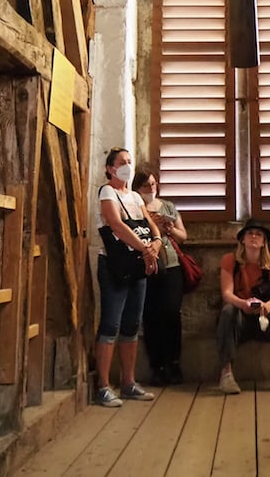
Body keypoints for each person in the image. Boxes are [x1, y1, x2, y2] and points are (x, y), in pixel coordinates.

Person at [94, 147, 163, 407]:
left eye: (129, 162)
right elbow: (115, 224)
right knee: (111, 323)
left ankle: (128, 382)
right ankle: (102, 385)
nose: (127, 166)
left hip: (138, 263)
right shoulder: (107, 191)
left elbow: (148, 221)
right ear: (111, 168)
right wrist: (145, 249)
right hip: (115, 264)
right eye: (122, 162)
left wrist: (155, 241)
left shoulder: (134, 195)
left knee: (132, 323)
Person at [217, 218, 270, 395]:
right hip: (240, 320)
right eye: (249, 233)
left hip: (263, 320)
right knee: (228, 311)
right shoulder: (230, 260)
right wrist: (243, 304)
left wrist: (267, 306)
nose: (253, 237)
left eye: (258, 234)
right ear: (242, 239)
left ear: (263, 242)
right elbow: (227, 294)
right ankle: (226, 374)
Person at [132, 164, 188, 385]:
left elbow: (183, 236)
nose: (151, 189)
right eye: (146, 185)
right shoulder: (133, 206)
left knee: (171, 312)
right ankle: (157, 365)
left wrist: (168, 228)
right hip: (145, 264)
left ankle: (174, 362)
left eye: (154, 184)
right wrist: (149, 224)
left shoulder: (168, 206)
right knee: (150, 315)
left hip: (171, 265)